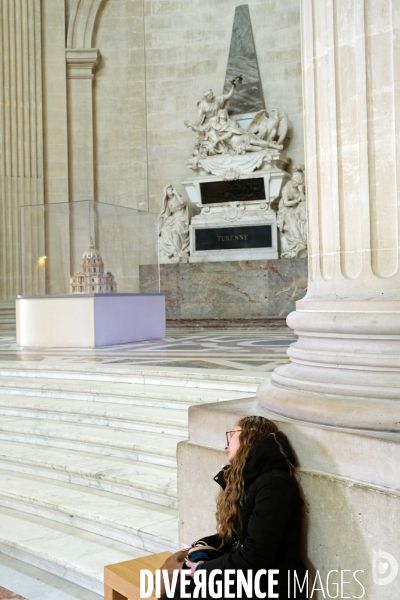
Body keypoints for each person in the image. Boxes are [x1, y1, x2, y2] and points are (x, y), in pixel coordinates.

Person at [163, 416, 307, 600]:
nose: (225, 446)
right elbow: (237, 539)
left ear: (249, 436)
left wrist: (203, 570)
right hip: (249, 578)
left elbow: (256, 556)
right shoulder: (248, 480)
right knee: (178, 588)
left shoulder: (274, 484)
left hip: (273, 585)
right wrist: (202, 550)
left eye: (230, 436)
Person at [158, 185, 190, 262]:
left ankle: (178, 251)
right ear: (166, 192)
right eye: (169, 190)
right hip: (173, 218)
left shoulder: (178, 197)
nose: (171, 190)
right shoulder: (168, 202)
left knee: (174, 230)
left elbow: (183, 203)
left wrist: (176, 194)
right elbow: (167, 214)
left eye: (172, 189)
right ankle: (173, 250)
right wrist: (162, 221)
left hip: (181, 219)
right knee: (164, 230)